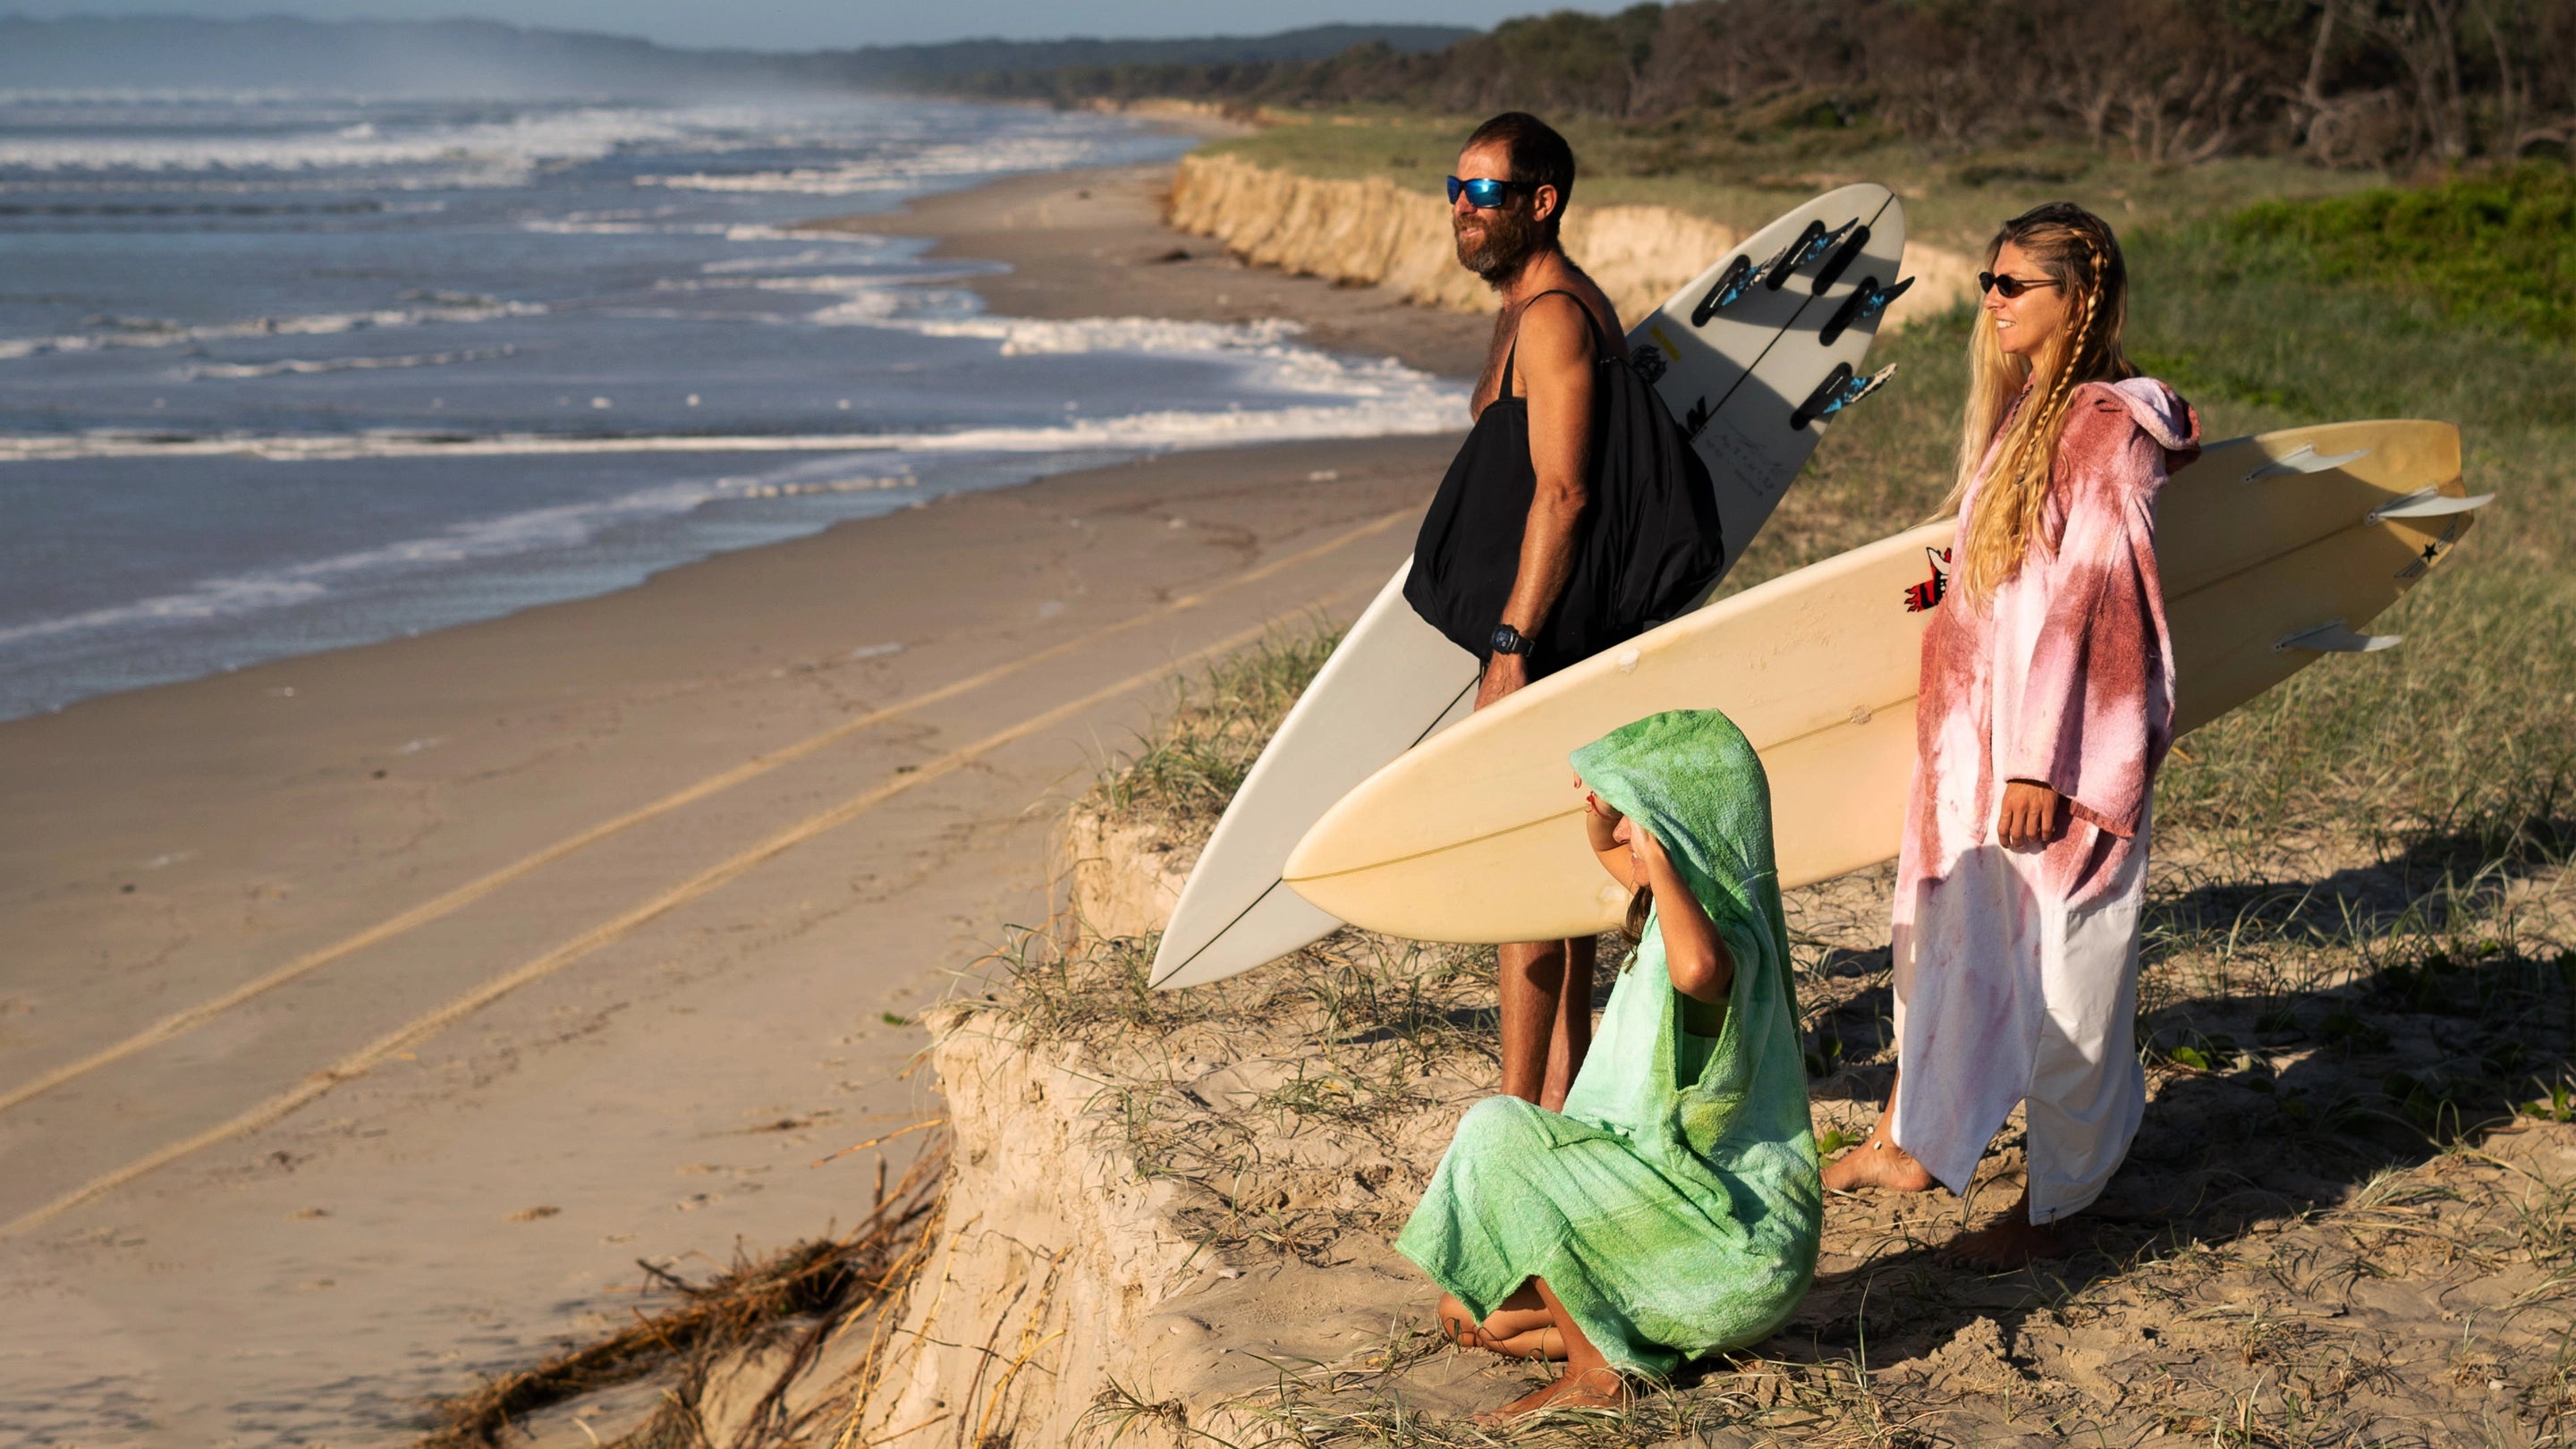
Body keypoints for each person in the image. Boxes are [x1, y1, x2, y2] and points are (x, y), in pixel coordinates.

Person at [1820, 202, 2201, 1267]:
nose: (1988, 301)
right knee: (1948, 938)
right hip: (1974, 743)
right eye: (1986, 282)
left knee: (2071, 969)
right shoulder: (2031, 412)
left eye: (2010, 285)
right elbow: (2005, 577)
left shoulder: (2109, 429)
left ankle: (2066, 1207)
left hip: (2059, 757)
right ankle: (1917, 1141)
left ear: (2076, 299)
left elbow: (2099, 605)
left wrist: (2041, 764)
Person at [1397, 709, 1822, 1422]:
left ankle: (1598, 1373)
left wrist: (1655, 850)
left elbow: (1698, 971)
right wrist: (1602, 807)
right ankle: (1662, 1342)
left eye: (1639, 822)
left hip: (1732, 1246)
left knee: (1500, 1129)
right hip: (1675, 1233)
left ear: (1677, 833)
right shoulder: (1670, 911)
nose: (1623, 836)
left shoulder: (1728, 941)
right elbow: (1608, 849)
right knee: (1464, 1317)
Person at [1427, 110, 1628, 1111]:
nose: (1464, 208)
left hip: (1547, 635)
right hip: (1545, 629)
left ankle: (1516, 1111)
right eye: (1456, 189)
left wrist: (1511, 645)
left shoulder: (1552, 317)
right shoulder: (1525, 306)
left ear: (1541, 202)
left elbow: (1565, 491)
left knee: (1524, 871)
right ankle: (1563, 1082)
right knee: (1555, 860)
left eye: (1486, 192)